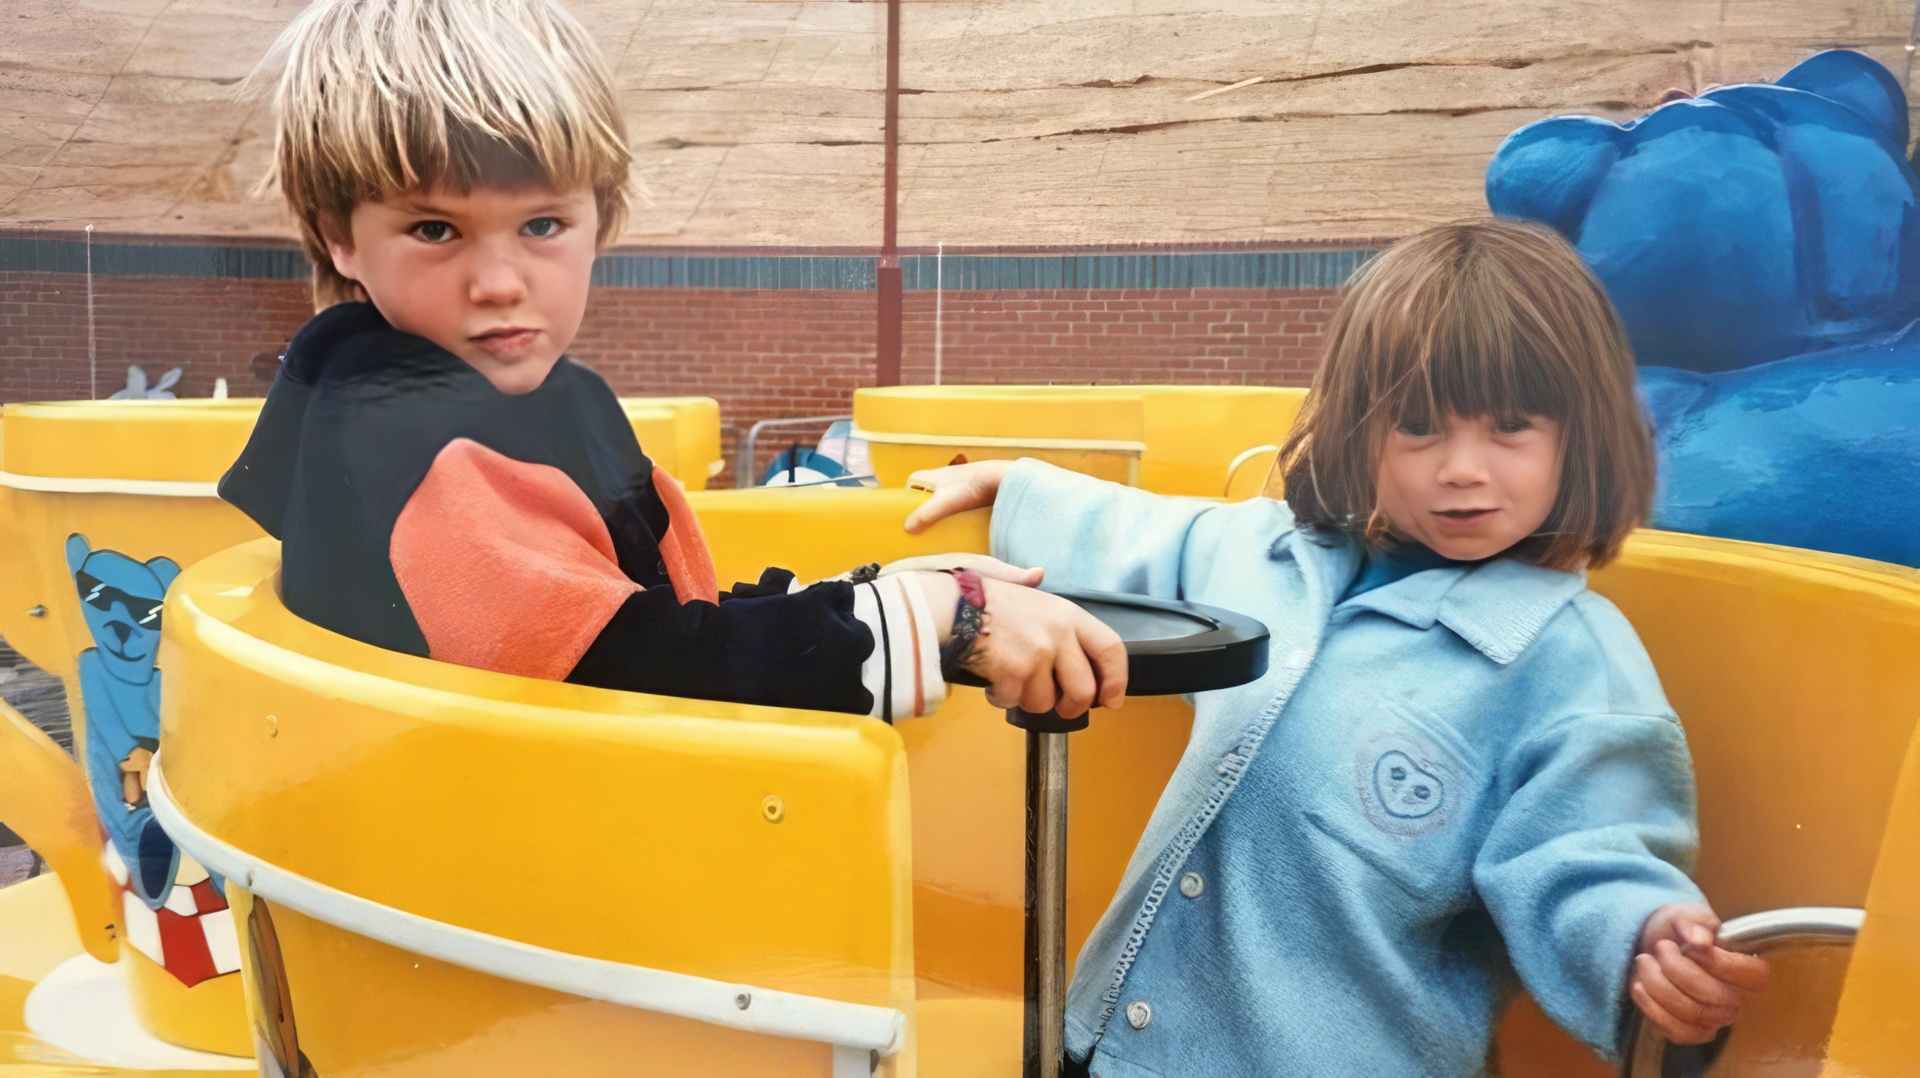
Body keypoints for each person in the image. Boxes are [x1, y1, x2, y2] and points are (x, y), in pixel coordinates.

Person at [905, 220, 1769, 1076]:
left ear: (1578, 437)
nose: (1462, 468)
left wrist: (1646, 943)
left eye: (1510, 427)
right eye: (1421, 427)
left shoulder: (1567, 661)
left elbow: (1586, 855)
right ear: (1364, 428)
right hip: (1117, 1048)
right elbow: (1154, 537)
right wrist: (1011, 487)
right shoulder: (1275, 556)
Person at [221, 0, 1126, 723]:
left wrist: (883, 595)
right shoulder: (411, 443)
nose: (498, 282)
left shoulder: (505, 402)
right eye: (433, 229)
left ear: (599, 216)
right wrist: (949, 621)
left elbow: (643, 617)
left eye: (541, 224)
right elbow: (630, 676)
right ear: (339, 235)